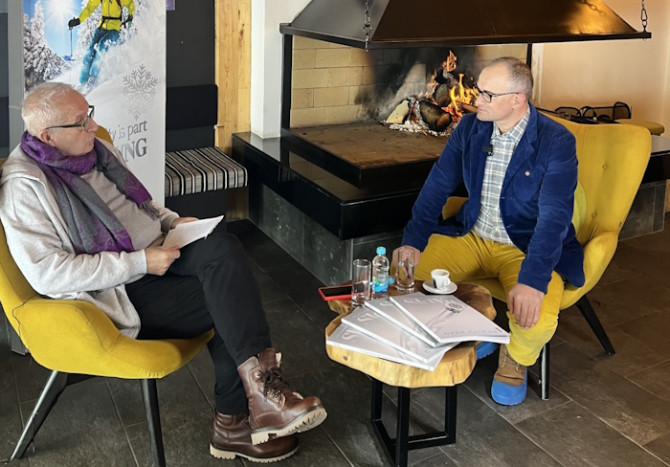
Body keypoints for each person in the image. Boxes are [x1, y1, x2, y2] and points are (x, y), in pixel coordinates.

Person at [0, 82, 327, 463]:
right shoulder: (25, 187)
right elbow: (48, 274)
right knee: (227, 298)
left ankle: (253, 407)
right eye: (81, 122)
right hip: (120, 290)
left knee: (224, 248)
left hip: (160, 251)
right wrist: (141, 262)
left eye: (89, 113)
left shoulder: (97, 150)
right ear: (47, 136)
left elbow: (142, 205)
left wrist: (173, 221)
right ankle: (239, 417)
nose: (93, 126)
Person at [394, 57, 584, 406]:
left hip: (524, 248)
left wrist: (533, 280)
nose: (474, 99)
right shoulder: (470, 128)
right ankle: (470, 333)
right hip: (473, 236)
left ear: (517, 99)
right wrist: (413, 241)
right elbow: (437, 185)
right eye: (477, 90)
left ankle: (514, 355)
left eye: (486, 94)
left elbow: (555, 217)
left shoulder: (556, 141)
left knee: (537, 319)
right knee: (406, 277)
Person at [68, 0, 135, 90]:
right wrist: (78, 20)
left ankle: (92, 80)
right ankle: (83, 82)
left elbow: (130, 3)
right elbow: (89, 7)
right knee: (89, 52)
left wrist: (130, 16)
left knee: (101, 47)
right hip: (101, 28)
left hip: (114, 29)